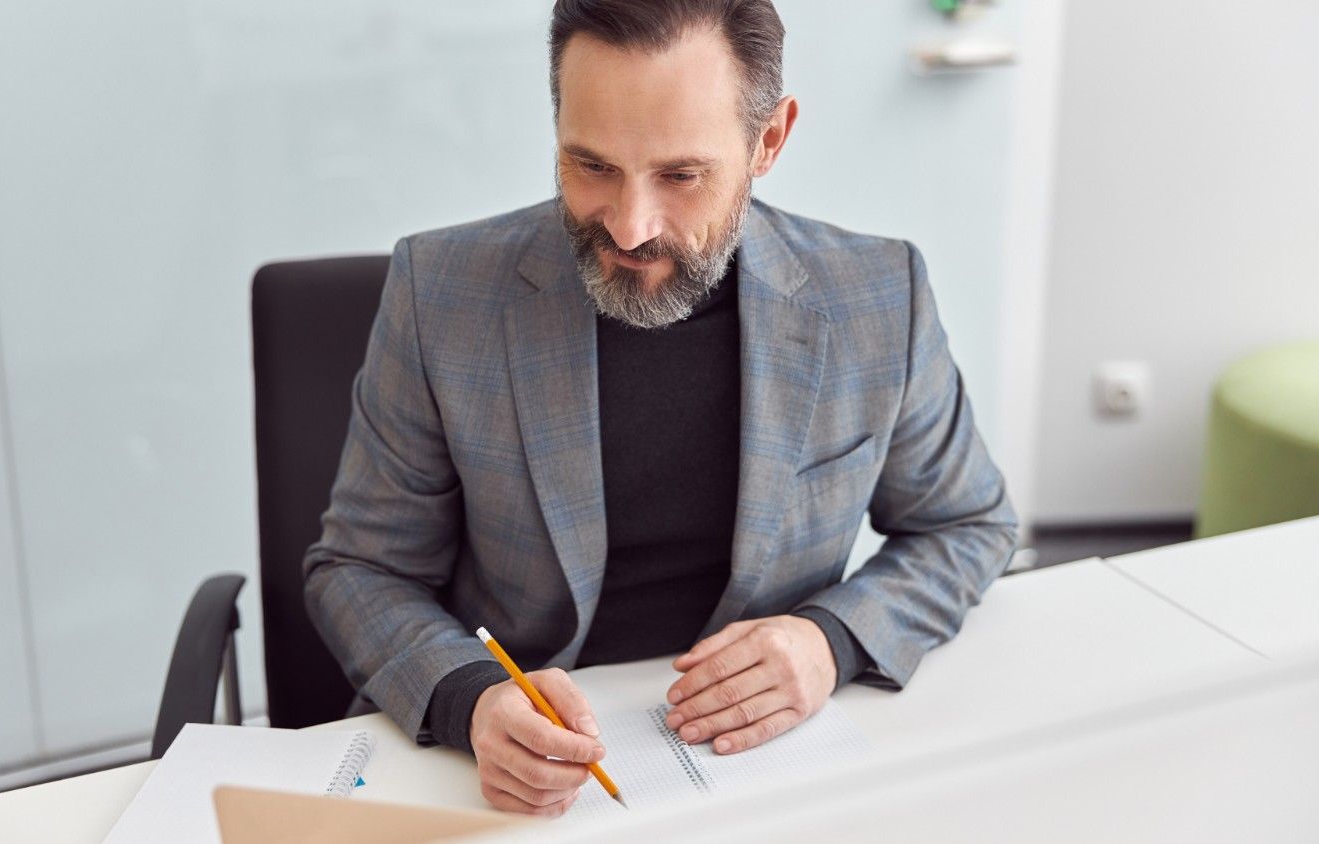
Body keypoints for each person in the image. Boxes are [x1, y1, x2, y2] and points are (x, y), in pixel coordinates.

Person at [304, 0, 1017, 817]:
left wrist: (832, 642)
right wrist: (469, 698)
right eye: (591, 166)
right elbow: (360, 569)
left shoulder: (879, 297)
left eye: (680, 176)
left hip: (766, 773)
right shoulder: (441, 293)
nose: (631, 227)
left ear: (768, 142)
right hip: (517, 780)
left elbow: (969, 526)